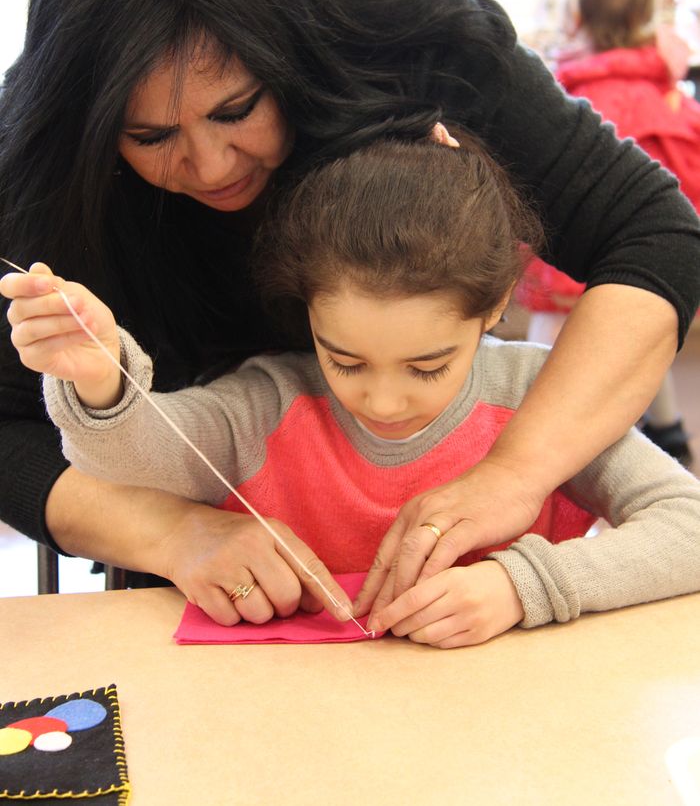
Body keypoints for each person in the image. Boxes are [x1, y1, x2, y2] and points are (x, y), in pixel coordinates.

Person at [0, 0, 698, 619]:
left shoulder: (391, 22)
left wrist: (515, 474)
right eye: (150, 135)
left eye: (237, 109)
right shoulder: (40, 169)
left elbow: (656, 238)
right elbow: (48, 433)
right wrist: (170, 530)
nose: (210, 165)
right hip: (215, 610)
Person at [3, 138, 699, 644]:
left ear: (495, 306)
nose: (383, 403)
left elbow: (688, 528)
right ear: (307, 314)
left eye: (427, 367)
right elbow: (137, 457)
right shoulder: (273, 401)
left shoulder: (541, 396)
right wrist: (100, 379)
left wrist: (523, 587)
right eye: (345, 360)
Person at [518, 0, 700, 467]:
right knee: (645, 339)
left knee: (539, 365)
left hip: (567, 272)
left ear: (574, 13)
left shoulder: (562, 103)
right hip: (651, 268)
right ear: (647, 14)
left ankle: (544, 455)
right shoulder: (670, 101)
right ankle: (668, 432)